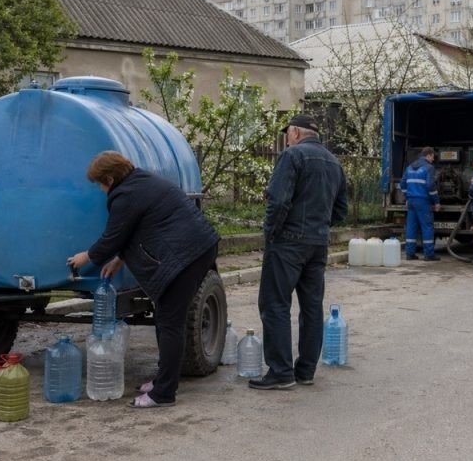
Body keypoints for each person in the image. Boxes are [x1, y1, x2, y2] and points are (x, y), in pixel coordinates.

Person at [67, 151, 219, 409]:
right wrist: (119, 259)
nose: (101, 190)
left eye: (100, 184)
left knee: (170, 321)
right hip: (197, 249)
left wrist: (87, 257)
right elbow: (138, 227)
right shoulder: (141, 181)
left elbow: (113, 237)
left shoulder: (125, 195)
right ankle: (163, 379)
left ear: (110, 179)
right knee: (164, 317)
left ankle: (164, 393)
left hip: (186, 256)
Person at [250, 114, 348, 390]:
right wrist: (319, 225)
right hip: (318, 244)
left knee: (275, 304)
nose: (287, 138)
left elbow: (278, 201)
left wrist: (270, 233)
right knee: (311, 306)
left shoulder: (291, 157)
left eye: (287, 134)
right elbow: (341, 210)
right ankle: (305, 371)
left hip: (288, 242)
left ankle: (281, 372)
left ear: (294, 133)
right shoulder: (334, 162)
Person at [400, 147, 440, 261]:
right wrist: (436, 201)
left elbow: (403, 184)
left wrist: (407, 197)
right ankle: (429, 254)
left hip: (411, 201)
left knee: (411, 227)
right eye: (432, 157)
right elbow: (430, 186)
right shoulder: (429, 168)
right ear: (428, 155)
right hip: (423, 202)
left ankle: (410, 253)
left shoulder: (409, 167)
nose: (433, 159)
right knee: (427, 227)